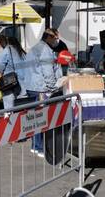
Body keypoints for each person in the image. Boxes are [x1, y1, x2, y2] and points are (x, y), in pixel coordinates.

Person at [21, 29, 64, 157]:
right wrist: (54, 87)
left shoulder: (36, 47)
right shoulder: (45, 50)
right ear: (50, 37)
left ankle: (35, 145)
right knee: (40, 118)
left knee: (34, 117)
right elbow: (48, 73)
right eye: (56, 38)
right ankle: (39, 147)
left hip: (31, 86)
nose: (58, 41)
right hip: (40, 88)